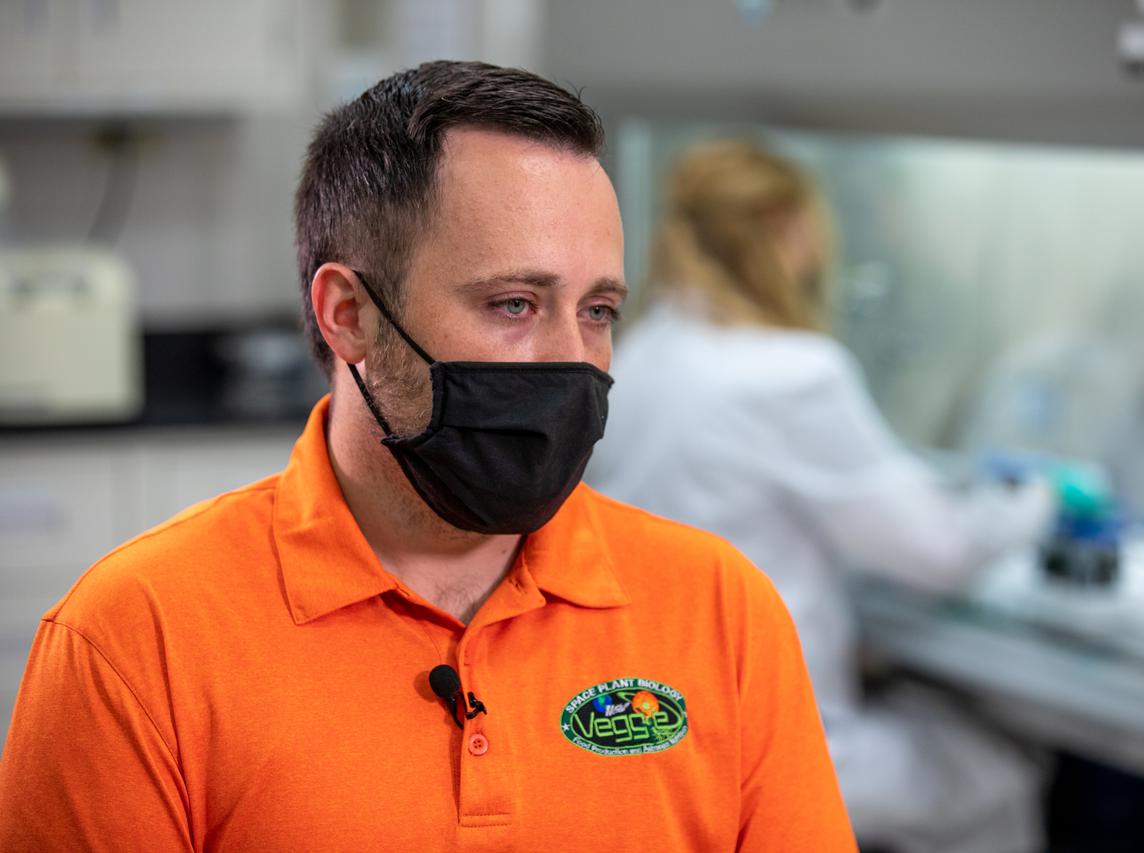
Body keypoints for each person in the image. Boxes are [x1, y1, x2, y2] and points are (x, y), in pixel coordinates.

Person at [0, 65, 856, 852]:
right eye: (514, 303)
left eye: (598, 310)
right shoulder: (135, 641)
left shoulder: (722, 610)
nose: (571, 359)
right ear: (348, 315)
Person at [587, 139, 1054, 853]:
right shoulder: (792, 372)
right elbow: (942, 551)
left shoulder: (639, 352)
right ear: (785, 230)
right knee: (998, 776)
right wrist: (1034, 504)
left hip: (651, 728)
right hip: (761, 745)